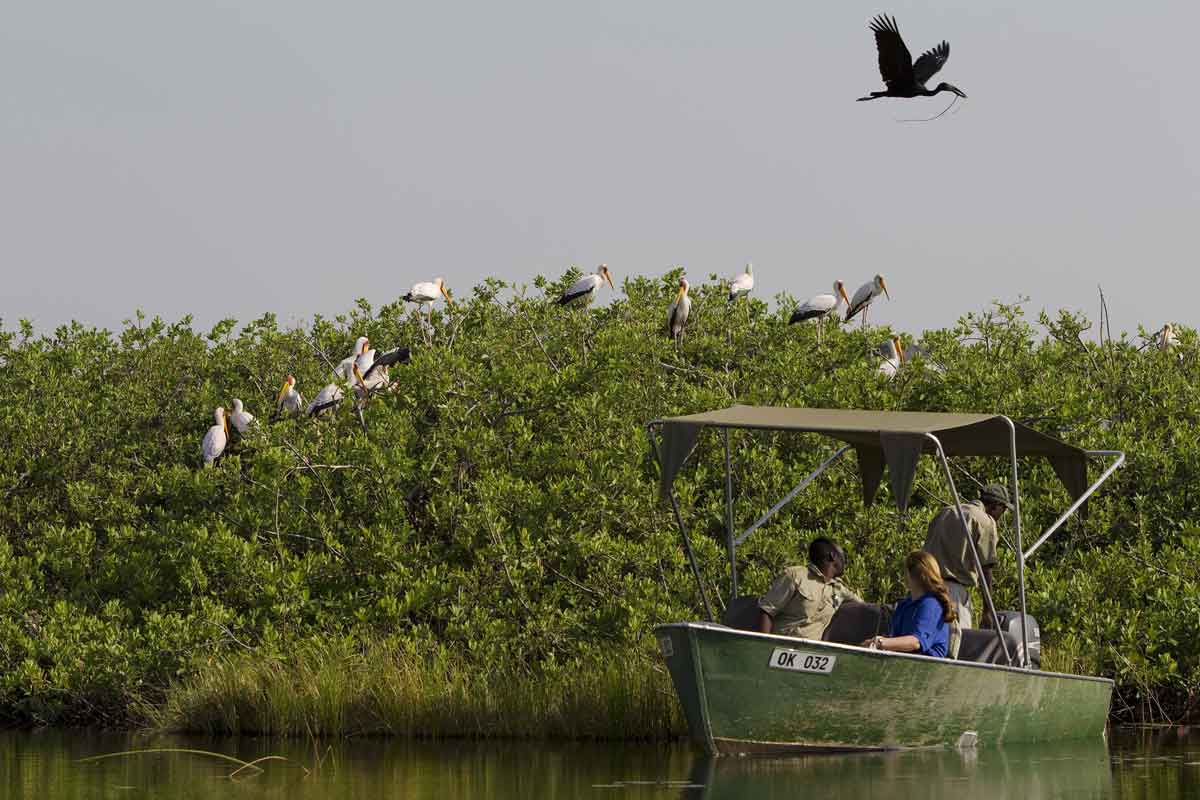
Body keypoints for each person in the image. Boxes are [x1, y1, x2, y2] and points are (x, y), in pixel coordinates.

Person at [922, 483, 1011, 632]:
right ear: (996, 506)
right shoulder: (985, 521)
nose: (1003, 515)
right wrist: (987, 610)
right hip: (952, 593)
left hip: (924, 587)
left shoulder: (945, 512)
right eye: (1004, 509)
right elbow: (985, 569)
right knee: (955, 644)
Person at [758, 537, 863, 639]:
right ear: (833, 556)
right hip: (781, 646)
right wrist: (765, 645)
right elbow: (767, 611)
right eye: (842, 556)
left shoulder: (839, 589)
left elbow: (865, 607)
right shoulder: (795, 575)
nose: (844, 562)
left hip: (810, 651)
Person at [862, 551, 957, 658]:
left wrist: (879, 643)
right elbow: (894, 637)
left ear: (912, 575)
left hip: (926, 669)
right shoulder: (905, 605)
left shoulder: (931, 604)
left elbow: (915, 642)